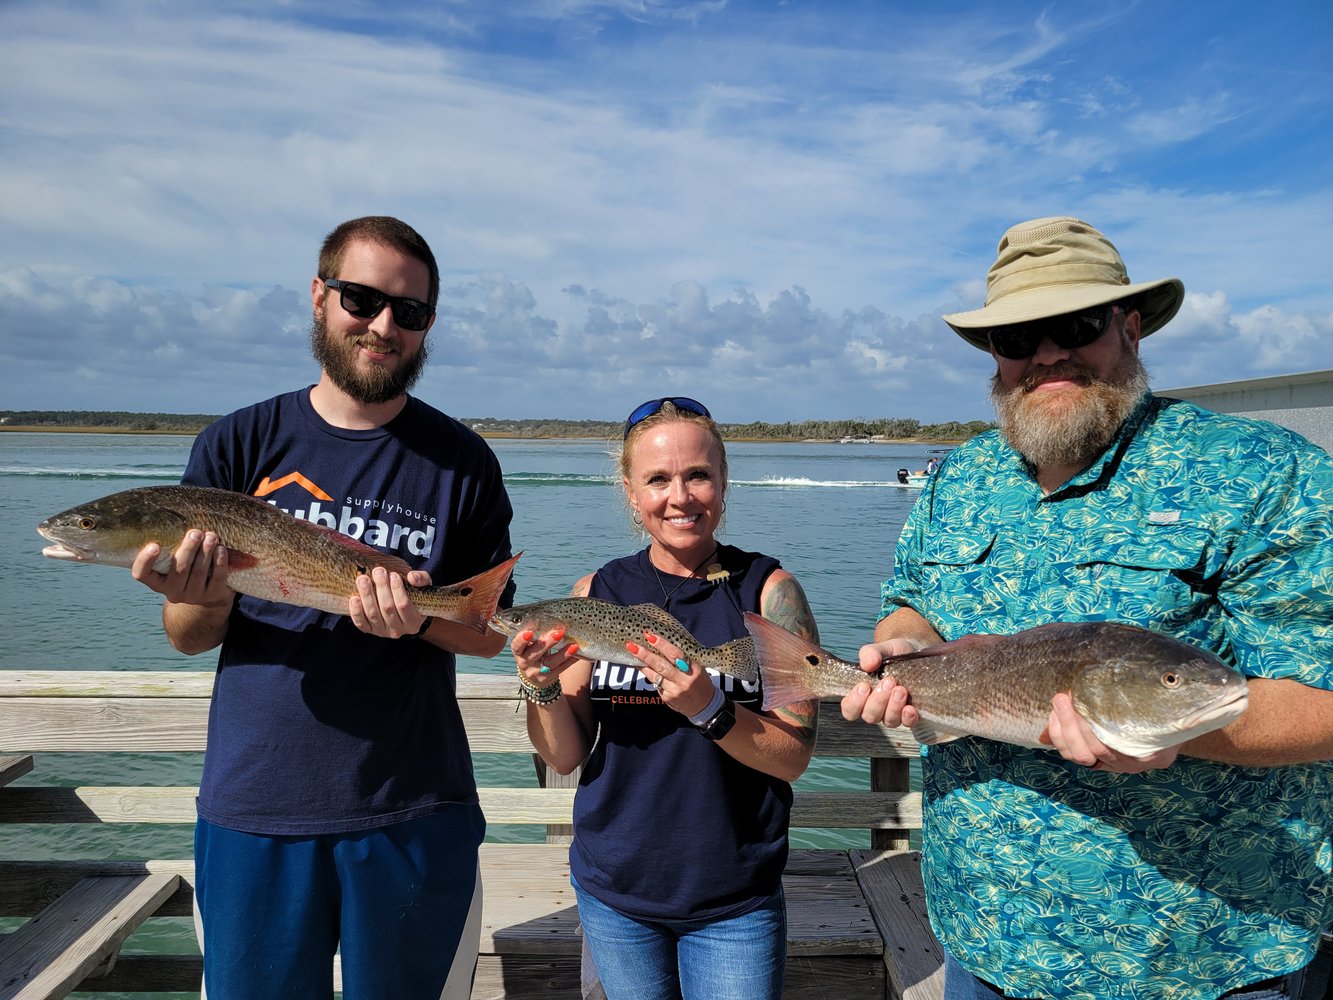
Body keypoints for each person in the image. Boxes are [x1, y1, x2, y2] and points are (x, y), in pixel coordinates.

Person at [841, 217, 1333, 999]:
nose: (1045, 354)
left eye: (1074, 325)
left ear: (1129, 329)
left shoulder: (1262, 471)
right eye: (1015, 336)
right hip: (983, 937)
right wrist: (897, 652)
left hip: (1200, 956)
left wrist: (1178, 737)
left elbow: (1326, 701)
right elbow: (909, 606)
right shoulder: (956, 478)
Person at [129, 216, 517, 999]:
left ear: (428, 325)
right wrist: (193, 597)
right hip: (255, 807)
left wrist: (415, 619)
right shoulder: (238, 443)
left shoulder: (464, 462)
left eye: (407, 311)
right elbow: (188, 637)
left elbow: (483, 634)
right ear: (319, 296)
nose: (382, 326)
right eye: (361, 299)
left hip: (411, 808)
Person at [509, 397, 820, 1000]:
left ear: (724, 484)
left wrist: (710, 707)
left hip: (734, 897)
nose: (679, 497)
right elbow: (564, 756)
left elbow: (794, 757)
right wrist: (539, 684)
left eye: (697, 475)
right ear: (630, 492)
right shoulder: (595, 592)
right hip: (615, 891)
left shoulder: (770, 592)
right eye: (657, 480)